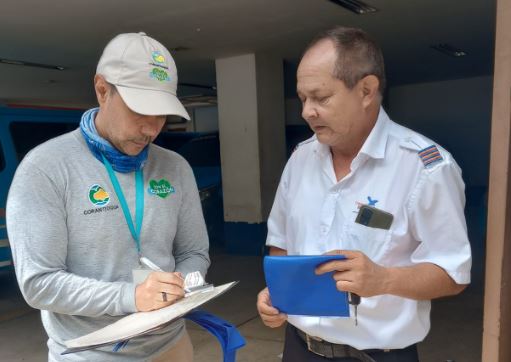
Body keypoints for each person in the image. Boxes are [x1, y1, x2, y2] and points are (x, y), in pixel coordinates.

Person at [256, 26, 472, 362]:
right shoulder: (300, 159)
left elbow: (452, 274)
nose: (306, 111)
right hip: (299, 348)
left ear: (367, 90)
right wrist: (277, 295)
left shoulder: (425, 168)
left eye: (321, 97)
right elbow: (281, 240)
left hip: (378, 355)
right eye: (302, 98)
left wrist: (384, 279)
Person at [6, 32, 210, 361]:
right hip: (90, 353)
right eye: (140, 110)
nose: (151, 128)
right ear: (102, 90)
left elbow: (194, 251)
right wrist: (131, 296)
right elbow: (38, 282)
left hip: (172, 346)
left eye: (161, 115)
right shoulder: (45, 169)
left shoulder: (176, 168)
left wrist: (181, 284)